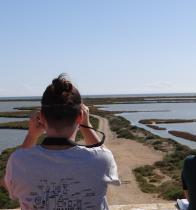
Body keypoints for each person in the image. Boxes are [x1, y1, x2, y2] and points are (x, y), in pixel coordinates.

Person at [3, 74, 120, 210]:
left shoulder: (19, 160)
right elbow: (103, 153)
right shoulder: (101, 159)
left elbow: (8, 185)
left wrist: (31, 135)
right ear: (80, 117)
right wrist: (86, 126)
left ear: (41, 117)